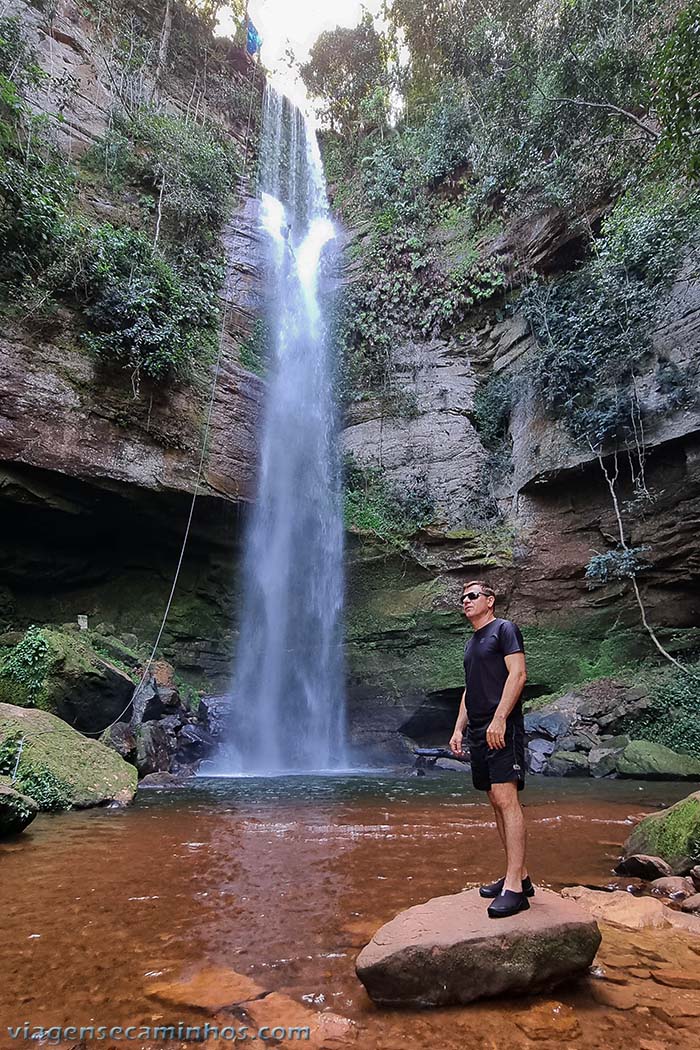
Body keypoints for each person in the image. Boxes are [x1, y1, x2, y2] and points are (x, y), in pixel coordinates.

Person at [449, 581, 532, 918]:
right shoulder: (472, 644)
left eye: (472, 596)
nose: (465, 601)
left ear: (489, 600)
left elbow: (519, 674)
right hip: (479, 729)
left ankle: (515, 889)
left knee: (506, 798)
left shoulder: (504, 630)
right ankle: (520, 877)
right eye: (462, 598)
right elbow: (470, 690)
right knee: (495, 801)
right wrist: (458, 728)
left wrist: (500, 718)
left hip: (502, 727)